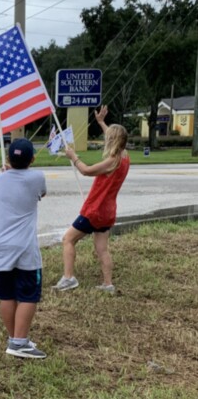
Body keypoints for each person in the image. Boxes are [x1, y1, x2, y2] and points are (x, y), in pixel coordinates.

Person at [55, 105, 130, 294]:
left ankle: (68, 278)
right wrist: (101, 123)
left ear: (112, 141)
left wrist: (74, 157)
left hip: (95, 210)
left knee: (68, 239)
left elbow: (86, 171)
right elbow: (113, 137)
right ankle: (108, 284)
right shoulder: (124, 156)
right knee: (102, 249)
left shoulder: (111, 162)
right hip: (108, 212)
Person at [0, 138, 47, 359]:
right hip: (24, 246)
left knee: (7, 295)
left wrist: (6, 173)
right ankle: (19, 342)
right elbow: (41, 194)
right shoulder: (37, 177)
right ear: (32, 158)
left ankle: (15, 338)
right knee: (28, 295)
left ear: (8, 159)